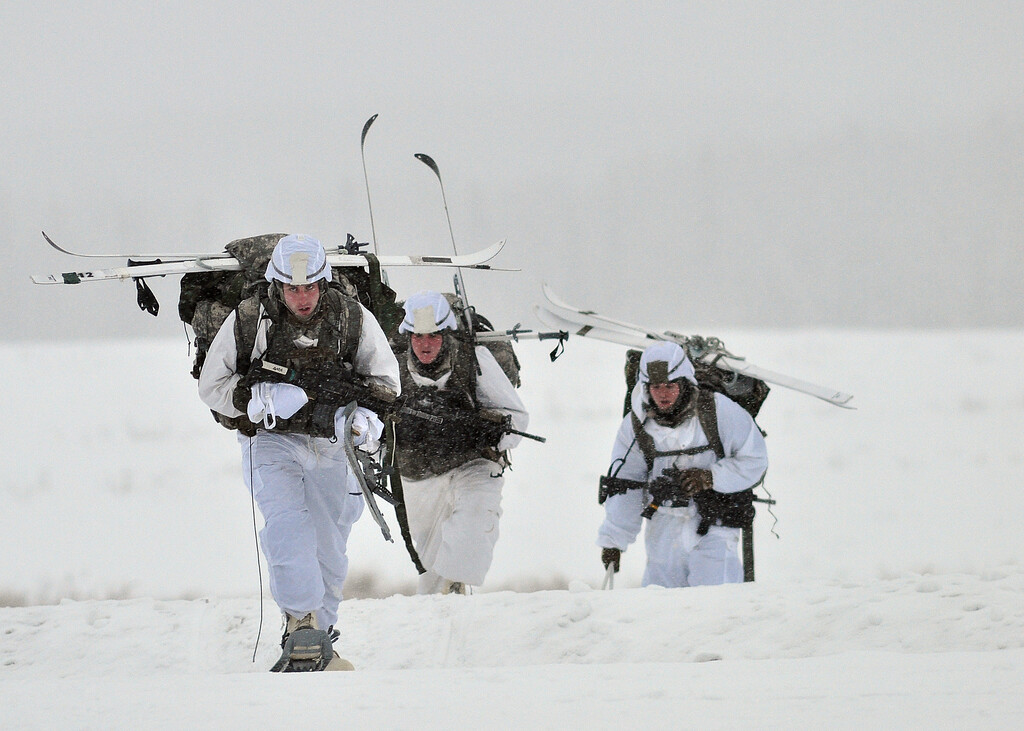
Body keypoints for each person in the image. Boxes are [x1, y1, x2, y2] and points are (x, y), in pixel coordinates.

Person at [198, 234, 401, 671]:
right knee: (288, 526)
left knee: (330, 545)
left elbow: (386, 379)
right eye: (293, 288)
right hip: (269, 441)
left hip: (331, 443)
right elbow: (212, 386)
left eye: (310, 287)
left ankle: (319, 633)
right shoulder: (249, 319)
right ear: (277, 283)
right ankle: (300, 623)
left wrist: (366, 417)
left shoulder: (352, 317)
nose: (302, 297)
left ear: (325, 282)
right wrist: (257, 400)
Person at [597, 341, 768, 588]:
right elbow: (627, 484)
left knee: (716, 606)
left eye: (670, 385)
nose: (663, 394)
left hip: (714, 526)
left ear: (685, 382)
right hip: (663, 530)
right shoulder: (636, 426)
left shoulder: (719, 412)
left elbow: (755, 460)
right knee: (660, 609)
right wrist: (613, 540)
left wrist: (711, 477)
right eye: (656, 387)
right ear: (646, 388)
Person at [393, 291, 529, 595]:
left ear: (446, 333)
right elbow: (368, 424)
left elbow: (518, 420)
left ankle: (456, 584)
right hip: (416, 473)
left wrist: (482, 431)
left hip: (472, 462)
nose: (425, 344)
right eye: (417, 336)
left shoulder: (474, 360)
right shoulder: (391, 366)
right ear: (407, 335)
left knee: (477, 515)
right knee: (430, 557)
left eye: (433, 335)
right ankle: (435, 614)